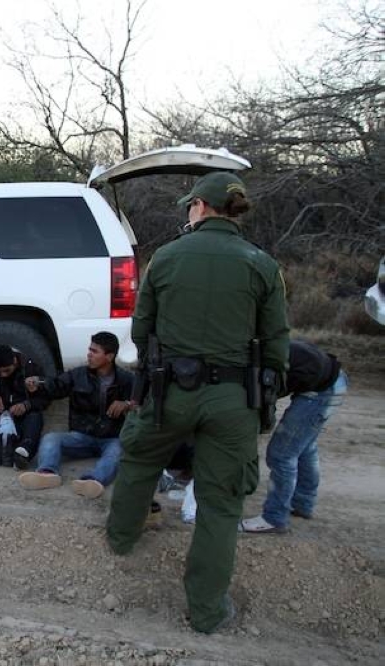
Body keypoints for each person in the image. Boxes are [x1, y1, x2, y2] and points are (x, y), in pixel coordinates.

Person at [105, 172, 290, 634]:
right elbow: (276, 346)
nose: (189, 211)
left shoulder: (166, 258)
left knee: (140, 459)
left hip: (171, 390)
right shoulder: (262, 264)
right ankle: (207, 612)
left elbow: (141, 331)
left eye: (191, 205)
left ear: (202, 208)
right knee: (221, 503)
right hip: (234, 398)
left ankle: (121, 539)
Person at [240, 340, 347, 533]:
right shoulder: (266, 347)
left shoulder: (257, 360)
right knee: (305, 448)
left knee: (281, 454)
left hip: (322, 391)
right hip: (333, 381)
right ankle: (303, 504)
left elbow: (265, 405)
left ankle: (274, 518)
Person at [19, 331, 135, 498]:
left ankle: (92, 481)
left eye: (94, 351)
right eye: (89, 349)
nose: (89, 354)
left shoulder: (127, 379)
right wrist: (38, 384)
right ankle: (47, 474)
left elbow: (144, 403)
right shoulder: (78, 374)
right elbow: (57, 386)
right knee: (51, 438)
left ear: (109, 357)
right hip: (82, 436)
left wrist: (127, 404)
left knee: (117, 451)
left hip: (112, 438)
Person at [0, 344, 49, 469]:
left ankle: (23, 454)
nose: (3, 375)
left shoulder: (29, 369)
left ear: (15, 361)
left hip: (22, 420)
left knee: (35, 417)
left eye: (7, 370)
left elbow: (45, 398)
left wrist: (26, 405)